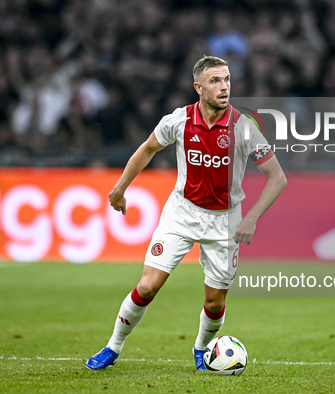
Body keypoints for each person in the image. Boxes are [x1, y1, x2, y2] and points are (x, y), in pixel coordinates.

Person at [86, 56, 287, 370]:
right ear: (198, 87)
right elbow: (148, 148)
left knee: (214, 302)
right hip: (182, 213)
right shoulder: (179, 120)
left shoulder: (244, 128)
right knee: (148, 286)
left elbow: (278, 177)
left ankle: (202, 349)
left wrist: (251, 218)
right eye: (215, 81)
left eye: (227, 80)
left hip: (226, 221)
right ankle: (113, 347)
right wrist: (120, 188)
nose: (224, 87)